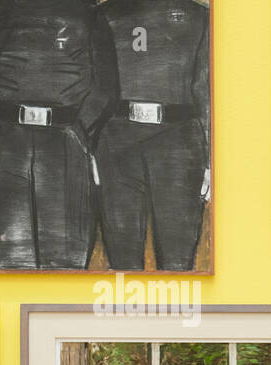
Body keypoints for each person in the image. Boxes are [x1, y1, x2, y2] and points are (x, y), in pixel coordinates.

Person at [0, 0, 120, 269]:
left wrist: (79, 128)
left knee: (66, 254)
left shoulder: (88, 14)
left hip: (66, 138)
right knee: (9, 253)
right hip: (6, 139)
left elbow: (105, 86)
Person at [97, 0, 211, 271]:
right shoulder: (105, 15)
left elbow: (207, 91)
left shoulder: (199, 16)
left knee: (177, 262)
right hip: (117, 139)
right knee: (122, 262)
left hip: (179, 143)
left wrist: (211, 159)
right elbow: (95, 85)